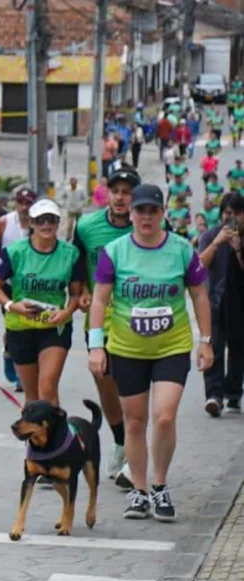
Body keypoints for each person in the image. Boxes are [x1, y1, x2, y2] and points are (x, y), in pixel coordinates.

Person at [88, 183, 213, 523]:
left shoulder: (181, 249)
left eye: (152, 211)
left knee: (164, 416)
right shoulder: (114, 252)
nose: (146, 217)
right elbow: (99, 299)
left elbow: (200, 295)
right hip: (127, 347)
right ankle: (139, 490)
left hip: (171, 345)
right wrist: (95, 345)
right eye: (140, 211)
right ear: (130, 214)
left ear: (162, 213)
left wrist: (206, 339)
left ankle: (160, 484)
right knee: (135, 420)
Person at [72, 166, 140, 487]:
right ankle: (120, 442)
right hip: (99, 320)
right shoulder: (87, 227)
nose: (121, 198)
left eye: (127, 192)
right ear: (107, 193)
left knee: (133, 386)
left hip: (137, 319)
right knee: (105, 382)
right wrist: (82, 292)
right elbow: (76, 266)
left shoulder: (149, 224)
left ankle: (135, 451)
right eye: (116, 191)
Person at [0, 199, 84, 407]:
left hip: (54, 327)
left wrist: (66, 313)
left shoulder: (70, 254)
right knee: (32, 396)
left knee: (47, 388)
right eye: (40, 220)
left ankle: (56, 439)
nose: (46, 225)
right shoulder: (15, 252)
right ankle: (34, 439)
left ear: (58, 223)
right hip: (20, 327)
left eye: (51, 220)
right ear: (31, 223)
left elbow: (76, 294)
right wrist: (11, 305)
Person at [197, 192, 244, 417]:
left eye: (236, 214)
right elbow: (198, 268)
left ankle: (233, 393)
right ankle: (214, 396)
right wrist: (217, 244)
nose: (232, 218)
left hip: (240, 304)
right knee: (213, 348)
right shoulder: (210, 236)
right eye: (227, 213)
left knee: (238, 351)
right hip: (214, 302)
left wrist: (237, 248)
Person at [0, 187, 36, 392]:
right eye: (21, 203)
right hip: (9, 283)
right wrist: (1, 264)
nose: (25, 208)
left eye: (29, 203)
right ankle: (13, 363)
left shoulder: (39, 223)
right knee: (13, 326)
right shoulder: (5, 222)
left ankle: (29, 368)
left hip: (31, 282)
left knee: (32, 326)